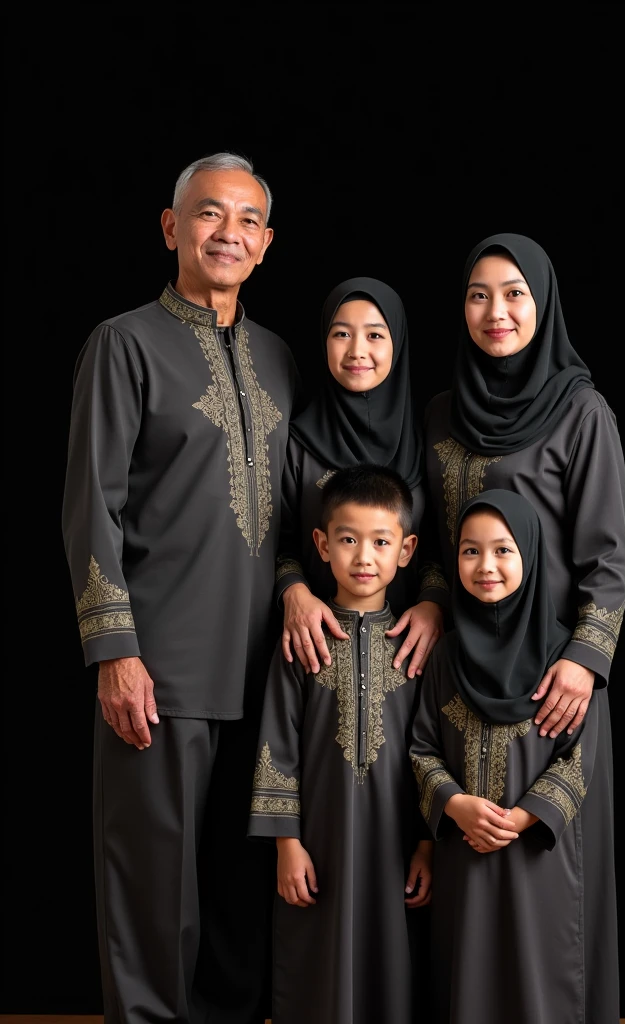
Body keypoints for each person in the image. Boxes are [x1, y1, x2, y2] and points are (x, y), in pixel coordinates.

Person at [61, 152, 300, 1023]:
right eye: (208, 215)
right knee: (155, 895)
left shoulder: (278, 357)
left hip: (265, 676)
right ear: (172, 228)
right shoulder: (124, 343)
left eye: (245, 221)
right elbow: (93, 507)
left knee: (240, 894)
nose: (226, 233)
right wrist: (115, 653)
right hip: (159, 672)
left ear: (266, 244)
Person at [424, 232, 625, 1022]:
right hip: (461, 686)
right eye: (479, 294)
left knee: (555, 898)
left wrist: (584, 660)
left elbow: (610, 558)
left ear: (542, 304)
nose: (497, 311)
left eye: (514, 293)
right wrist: (435, 600)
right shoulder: (443, 414)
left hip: (554, 690)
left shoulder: (582, 412)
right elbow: (442, 547)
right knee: (471, 901)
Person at [410, 489, 607, 1024]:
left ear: (531, 555)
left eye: (503, 550)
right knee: (467, 981)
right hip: (464, 855)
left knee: (540, 980)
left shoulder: (562, 657)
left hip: (539, 854)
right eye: (470, 551)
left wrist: (520, 819)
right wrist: (455, 806)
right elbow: (422, 746)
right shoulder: (446, 655)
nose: (485, 566)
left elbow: (581, 758)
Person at [248, 464, 433, 1024]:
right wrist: (286, 844)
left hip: (394, 841)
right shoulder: (302, 641)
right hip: (318, 843)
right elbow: (276, 742)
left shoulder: (420, 649)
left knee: (394, 963)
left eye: (381, 541)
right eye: (348, 540)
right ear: (322, 545)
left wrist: (427, 844)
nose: (364, 557)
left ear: (407, 550)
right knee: (315, 967)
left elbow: (431, 750)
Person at [276, 277, 449, 683]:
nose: (357, 351)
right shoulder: (297, 441)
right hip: (312, 652)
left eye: (375, 335)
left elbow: (440, 545)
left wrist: (433, 603)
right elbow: (277, 541)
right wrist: (293, 592)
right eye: (341, 334)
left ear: (398, 344)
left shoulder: (426, 441)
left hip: (411, 652)